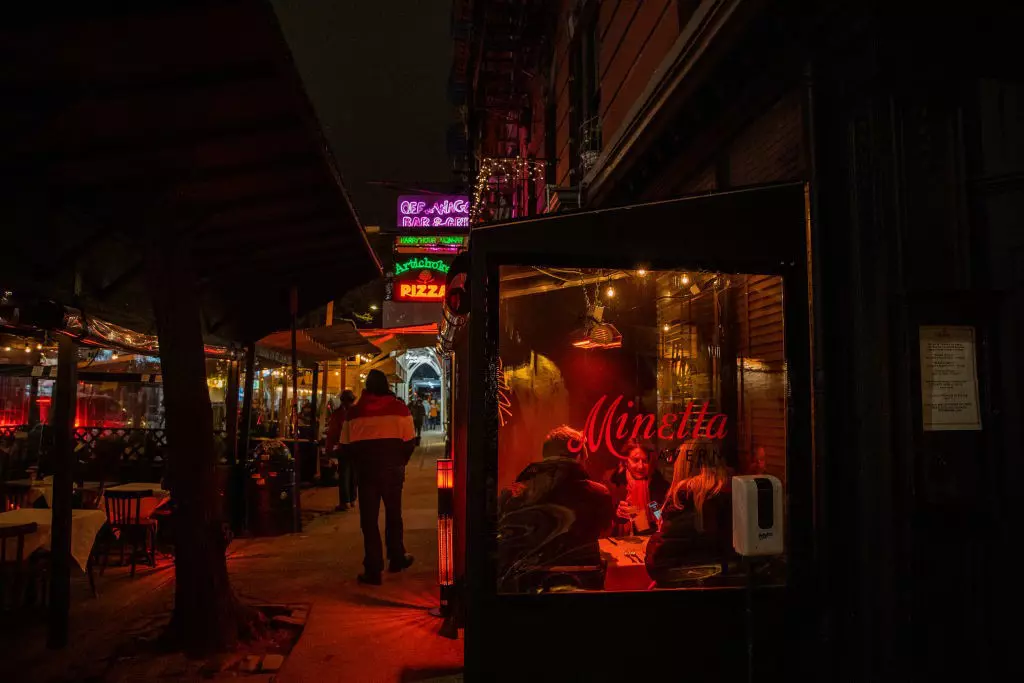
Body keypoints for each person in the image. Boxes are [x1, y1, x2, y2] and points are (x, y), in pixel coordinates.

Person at [497, 425, 615, 592]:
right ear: (580, 456)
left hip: (527, 590)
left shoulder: (512, 494)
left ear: (545, 456)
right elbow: (606, 532)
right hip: (585, 587)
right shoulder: (599, 493)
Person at [340, 370, 417, 585]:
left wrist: (359, 463)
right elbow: (410, 442)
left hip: (366, 473)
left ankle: (373, 568)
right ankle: (397, 557)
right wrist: (400, 462)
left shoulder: (354, 413)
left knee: (369, 520)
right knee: (394, 515)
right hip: (393, 472)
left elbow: (345, 447)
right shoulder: (400, 409)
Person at [644, 441, 733, 585]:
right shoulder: (734, 491)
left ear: (682, 466)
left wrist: (658, 534)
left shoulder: (684, 496)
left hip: (688, 591)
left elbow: (658, 563)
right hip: (726, 589)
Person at [604, 440, 669, 537]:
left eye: (645, 461)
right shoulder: (612, 481)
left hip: (651, 536)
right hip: (622, 539)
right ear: (626, 461)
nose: (641, 466)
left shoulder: (657, 481)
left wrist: (659, 515)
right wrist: (617, 514)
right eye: (635, 460)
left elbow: (658, 510)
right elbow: (604, 518)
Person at [326, 390, 356, 511]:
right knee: (353, 474)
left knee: (344, 474)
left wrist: (329, 447)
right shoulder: (357, 412)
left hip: (343, 446)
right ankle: (353, 499)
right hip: (356, 446)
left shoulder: (338, 414)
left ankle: (345, 502)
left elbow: (333, 432)